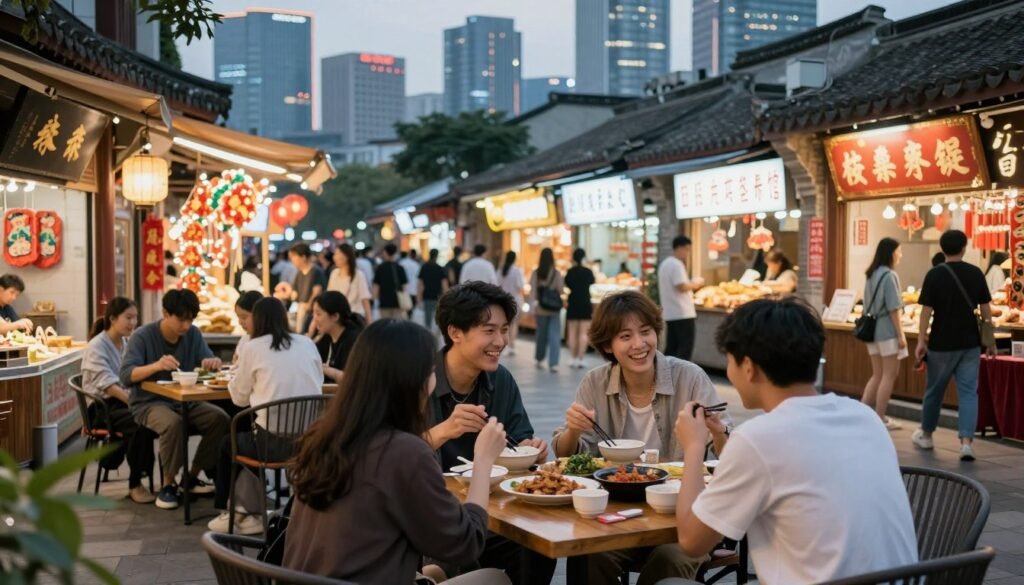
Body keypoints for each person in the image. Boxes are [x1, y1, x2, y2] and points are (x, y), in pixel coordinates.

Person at [666, 299, 918, 585]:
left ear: (748, 367)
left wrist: (694, 446)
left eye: (729, 359)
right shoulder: (866, 417)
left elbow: (691, 541)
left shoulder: (757, 439)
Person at [284, 319, 511, 585]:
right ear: (414, 380)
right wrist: (483, 460)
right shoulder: (404, 452)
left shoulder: (325, 435)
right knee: (494, 579)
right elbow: (465, 542)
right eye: (430, 370)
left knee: (439, 571)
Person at [553, 290, 728, 585]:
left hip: (682, 515)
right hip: (617, 510)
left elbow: (729, 456)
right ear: (608, 345)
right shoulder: (595, 382)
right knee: (590, 554)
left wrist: (716, 430)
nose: (639, 344)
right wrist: (573, 430)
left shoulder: (690, 377)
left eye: (646, 332)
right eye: (625, 336)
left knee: (669, 559)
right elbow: (564, 457)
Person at [427, 282, 555, 585]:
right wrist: (444, 430)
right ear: (455, 332)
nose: (501, 341)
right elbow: (388, 454)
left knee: (537, 544)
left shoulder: (501, 380)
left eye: (505, 329)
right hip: (431, 515)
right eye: (489, 331)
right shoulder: (420, 380)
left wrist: (529, 449)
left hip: (491, 513)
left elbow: (519, 441)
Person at [208, 297, 324, 535]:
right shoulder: (306, 342)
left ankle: (232, 510)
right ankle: (247, 509)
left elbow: (238, 399)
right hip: (310, 443)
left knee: (229, 443)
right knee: (246, 432)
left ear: (257, 319)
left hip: (270, 445)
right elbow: (318, 381)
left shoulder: (253, 347)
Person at [121, 289, 228, 510]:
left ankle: (191, 476)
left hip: (185, 400)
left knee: (220, 419)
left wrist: (212, 361)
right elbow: (126, 375)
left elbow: (206, 359)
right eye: (181, 319)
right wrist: (157, 365)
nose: (186, 326)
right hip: (148, 402)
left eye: (190, 319)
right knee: (173, 424)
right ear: (165, 313)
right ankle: (168, 485)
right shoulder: (143, 336)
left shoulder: (193, 335)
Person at [913, 230, 994, 461]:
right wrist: (989, 340)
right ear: (964, 248)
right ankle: (966, 443)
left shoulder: (934, 275)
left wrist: (921, 340)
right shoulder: (975, 273)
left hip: (941, 343)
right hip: (970, 343)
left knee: (934, 391)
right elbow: (986, 310)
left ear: (942, 248)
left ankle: (927, 435)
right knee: (969, 392)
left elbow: (925, 312)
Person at [81, 297, 157, 505]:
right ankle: (135, 484)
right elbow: (108, 386)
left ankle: (121, 461)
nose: (133, 323)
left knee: (154, 416)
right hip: (101, 409)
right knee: (141, 421)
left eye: (135, 318)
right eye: (128, 317)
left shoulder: (125, 342)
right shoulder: (97, 346)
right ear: (113, 318)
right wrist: (136, 403)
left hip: (119, 404)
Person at [860, 238, 907, 431]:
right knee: (889, 375)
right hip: (887, 330)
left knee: (877, 375)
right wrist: (901, 335)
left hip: (871, 331)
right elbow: (894, 308)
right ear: (891, 253)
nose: (900, 255)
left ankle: (862, 413)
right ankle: (879, 417)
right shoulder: (890, 275)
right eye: (899, 251)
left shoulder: (871, 274)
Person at [658, 236, 703, 361]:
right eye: (687, 249)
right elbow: (681, 286)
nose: (688, 253)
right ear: (679, 247)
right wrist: (696, 283)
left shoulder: (665, 263)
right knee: (684, 347)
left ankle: (664, 373)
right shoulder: (676, 264)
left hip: (670, 313)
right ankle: (681, 376)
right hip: (682, 313)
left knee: (672, 347)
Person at [311, 291, 366, 384]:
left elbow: (354, 380)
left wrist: (327, 370)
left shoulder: (353, 340)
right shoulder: (326, 338)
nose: (314, 319)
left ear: (335, 316)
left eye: (318, 314)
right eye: (313, 314)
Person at [528, 247, 563, 373]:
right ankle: (553, 363)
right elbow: (561, 290)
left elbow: (532, 291)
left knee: (541, 335)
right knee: (554, 335)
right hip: (554, 309)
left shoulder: (536, 273)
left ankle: (539, 358)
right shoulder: (556, 273)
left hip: (541, 308)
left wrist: (532, 306)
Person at [565, 248, 596, 370]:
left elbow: (567, 284)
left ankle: (573, 358)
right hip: (585, 302)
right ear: (584, 257)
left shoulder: (570, 271)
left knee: (572, 332)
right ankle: (581, 358)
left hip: (573, 302)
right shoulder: (588, 272)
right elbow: (592, 282)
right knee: (584, 332)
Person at [289, 243, 327, 336]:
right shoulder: (299, 273)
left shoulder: (316, 272)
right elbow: (295, 293)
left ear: (303, 257)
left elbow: (317, 291)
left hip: (311, 313)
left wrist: (308, 305)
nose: (292, 260)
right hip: (300, 309)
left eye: (294, 257)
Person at [328, 243, 372, 321]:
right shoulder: (334, 273)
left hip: (355, 317)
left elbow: (365, 299)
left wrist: (369, 320)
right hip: (338, 318)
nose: (334, 257)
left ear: (347, 256)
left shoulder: (358, 275)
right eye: (335, 254)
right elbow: (330, 296)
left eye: (338, 254)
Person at [498, 251, 525, 356]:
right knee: (513, 324)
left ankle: (504, 345)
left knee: (505, 325)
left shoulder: (500, 270)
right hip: (515, 300)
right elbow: (520, 286)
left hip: (503, 300)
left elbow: (496, 284)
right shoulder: (516, 271)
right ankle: (511, 346)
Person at [373, 243, 408, 320]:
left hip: (384, 301)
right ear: (395, 253)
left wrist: (374, 300)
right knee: (397, 325)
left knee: (386, 325)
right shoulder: (400, 268)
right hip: (398, 301)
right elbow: (404, 286)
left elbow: (376, 286)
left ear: (385, 253)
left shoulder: (380, 268)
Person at [418, 248, 449, 332]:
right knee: (438, 316)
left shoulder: (424, 267)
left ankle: (427, 332)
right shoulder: (440, 268)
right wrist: (446, 297)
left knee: (427, 317)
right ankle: (436, 334)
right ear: (437, 256)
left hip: (427, 295)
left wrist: (419, 297)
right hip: (437, 296)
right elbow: (444, 284)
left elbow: (420, 284)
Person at [232, 291, 263, 364]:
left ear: (259, 315)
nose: (240, 322)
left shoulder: (267, 342)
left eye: (244, 317)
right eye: (238, 317)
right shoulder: (244, 340)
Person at [400, 249, 422, 318]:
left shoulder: (402, 262)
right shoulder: (416, 265)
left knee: (404, 309)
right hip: (413, 290)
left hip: (404, 290)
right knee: (411, 308)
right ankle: (409, 319)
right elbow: (419, 279)